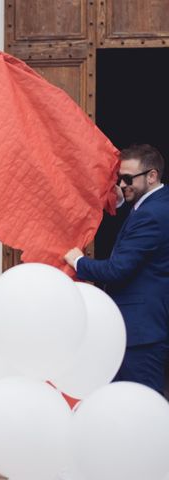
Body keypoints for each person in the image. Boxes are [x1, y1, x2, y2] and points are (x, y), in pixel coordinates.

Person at [64, 144, 169, 393]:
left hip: (139, 334)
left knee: (141, 407)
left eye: (127, 178)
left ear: (152, 176)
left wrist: (78, 262)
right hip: (138, 329)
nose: (122, 185)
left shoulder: (152, 214)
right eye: (119, 179)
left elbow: (118, 269)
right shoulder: (152, 206)